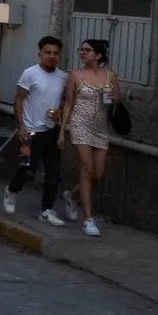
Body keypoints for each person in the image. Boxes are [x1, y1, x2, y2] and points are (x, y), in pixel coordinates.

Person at [4, 36, 68, 226]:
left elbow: (66, 103)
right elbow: (18, 100)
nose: (52, 56)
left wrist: (60, 112)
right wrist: (21, 126)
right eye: (48, 53)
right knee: (27, 167)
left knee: (53, 173)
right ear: (40, 54)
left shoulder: (63, 77)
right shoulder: (30, 74)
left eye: (56, 53)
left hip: (51, 131)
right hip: (30, 132)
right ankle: (12, 190)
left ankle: (46, 210)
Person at [60, 39, 119, 237]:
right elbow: (68, 103)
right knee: (86, 167)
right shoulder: (75, 75)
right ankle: (88, 218)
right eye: (81, 50)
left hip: (101, 127)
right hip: (80, 125)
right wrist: (63, 130)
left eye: (87, 50)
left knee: (97, 174)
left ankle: (72, 196)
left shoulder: (110, 75)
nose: (83, 53)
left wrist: (110, 95)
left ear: (99, 55)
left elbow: (116, 102)